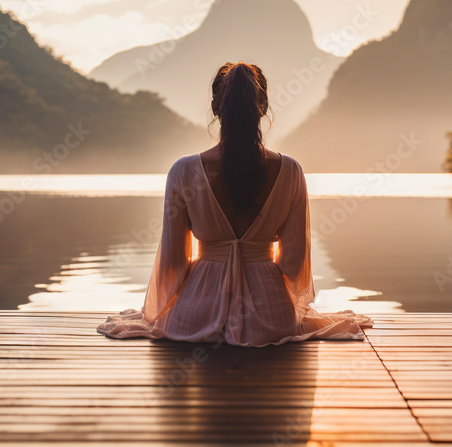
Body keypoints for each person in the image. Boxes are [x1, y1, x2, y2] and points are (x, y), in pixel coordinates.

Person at [96, 62, 372, 347]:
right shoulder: (290, 171)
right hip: (270, 316)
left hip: (197, 314)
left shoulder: (184, 171)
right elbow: (293, 262)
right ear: (262, 108)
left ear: (216, 108)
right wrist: (288, 305)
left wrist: (158, 311)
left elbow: (174, 261)